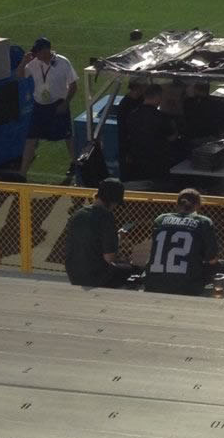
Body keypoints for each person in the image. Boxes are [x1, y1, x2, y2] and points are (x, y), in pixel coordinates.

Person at [143, 188, 224, 295]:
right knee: (222, 266)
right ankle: (221, 296)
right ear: (198, 206)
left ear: (177, 204)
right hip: (186, 285)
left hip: (154, 283)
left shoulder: (160, 219)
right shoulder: (203, 222)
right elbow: (212, 259)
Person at [18, 37, 78, 178]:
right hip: (40, 105)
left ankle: (75, 163)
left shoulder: (63, 62)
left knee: (68, 137)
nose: (36, 54)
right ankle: (22, 173)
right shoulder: (33, 63)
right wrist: (23, 63)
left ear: (46, 51)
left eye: (38, 51)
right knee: (31, 138)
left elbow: (74, 85)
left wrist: (65, 103)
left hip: (58, 105)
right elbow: (20, 76)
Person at [64, 178, 136, 287]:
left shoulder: (78, 214)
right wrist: (118, 241)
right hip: (95, 276)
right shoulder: (106, 216)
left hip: (73, 274)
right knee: (133, 269)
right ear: (112, 201)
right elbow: (109, 258)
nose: (115, 207)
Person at [118, 80, 175, 186]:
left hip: (136, 161)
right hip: (157, 164)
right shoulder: (161, 118)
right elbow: (172, 137)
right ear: (157, 97)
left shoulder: (132, 115)